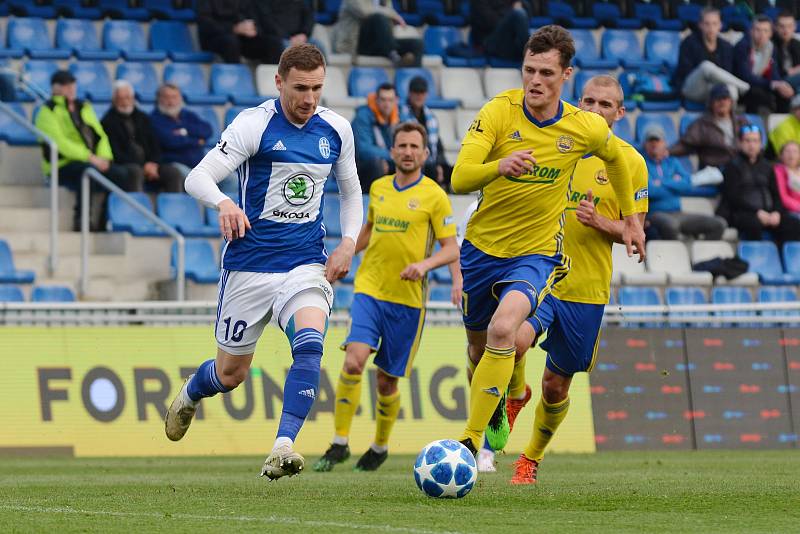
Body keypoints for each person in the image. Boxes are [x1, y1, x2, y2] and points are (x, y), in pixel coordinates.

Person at [164, 44, 364, 480]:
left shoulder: (336, 130)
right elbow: (196, 177)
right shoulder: (253, 125)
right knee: (230, 374)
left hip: (304, 265)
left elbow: (351, 193)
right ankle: (192, 392)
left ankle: (283, 445)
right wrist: (223, 204)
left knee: (310, 344)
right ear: (279, 83)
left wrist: (348, 242)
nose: (309, 98)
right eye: (299, 88)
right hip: (249, 267)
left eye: (316, 88)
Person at [450, 26, 645, 461]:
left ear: (566, 75)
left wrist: (631, 218)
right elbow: (459, 177)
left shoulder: (584, 129)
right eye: (528, 70)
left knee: (506, 331)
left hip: (536, 254)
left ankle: (469, 442)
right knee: (479, 348)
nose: (535, 81)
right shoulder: (499, 111)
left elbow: (617, 160)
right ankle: (504, 393)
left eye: (545, 73)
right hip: (482, 248)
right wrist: (499, 166)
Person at [312, 122, 459, 473]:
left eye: (414, 146)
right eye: (402, 146)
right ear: (392, 152)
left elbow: (452, 248)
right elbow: (366, 231)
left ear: (424, 154)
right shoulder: (377, 188)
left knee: (386, 380)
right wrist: (342, 254)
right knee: (353, 361)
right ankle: (340, 442)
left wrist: (426, 267)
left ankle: (379, 446)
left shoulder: (435, 196)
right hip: (370, 289)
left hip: (407, 301)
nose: (408, 152)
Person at [34, 70, 142, 230]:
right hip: (62, 165)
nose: (70, 88)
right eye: (65, 85)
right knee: (88, 171)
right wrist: (90, 158)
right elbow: (60, 143)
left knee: (124, 174)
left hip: (92, 160)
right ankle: (82, 220)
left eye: (72, 84)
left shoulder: (84, 107)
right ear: (55, 89)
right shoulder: (47, 111)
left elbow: (100, 135)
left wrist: (105, 158)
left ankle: (105, 219)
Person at [718, 124, 800, 245]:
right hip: (742, 213)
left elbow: (776, 195)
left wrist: (776, 212)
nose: (752, 145)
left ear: (761, 144)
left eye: (755, 141)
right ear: (740, 143)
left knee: (793, 225)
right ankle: (755, 261)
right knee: (753, 224)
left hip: (769, 213)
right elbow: (733, 197)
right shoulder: (732, 166)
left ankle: (785, 261)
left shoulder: (767, 167)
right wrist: (757, 212)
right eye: (747, 141)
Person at [643, 124, 727, 240]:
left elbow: (688, 185)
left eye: (657, 140)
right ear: (645, 145)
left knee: (718, 224)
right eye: (650, 141)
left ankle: (701, 256)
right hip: (655, 213)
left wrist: (661, 183)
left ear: (664, 143)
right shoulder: (641, 163)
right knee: (671, 225)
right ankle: (674, 257)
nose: (654, 144)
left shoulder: (673, 162)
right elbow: (650, 191)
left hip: (677, 212)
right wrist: (675, 183)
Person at [101, 81, 184, 194]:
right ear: (114, 100)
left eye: (128, 98)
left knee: (173, 172)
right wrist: (143, 166)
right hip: (127, 165)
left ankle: (175, 209)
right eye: (121, 99)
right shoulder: (107, 122)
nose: (125, 102)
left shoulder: (143, 118)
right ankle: (136, 208)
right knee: (135, 172)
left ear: (133, 98)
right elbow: (115, 153)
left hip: (149, 165)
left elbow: (155, 145)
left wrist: (153, 164)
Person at [672, 7, 750, 105]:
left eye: (714, 24)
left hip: (715, 88)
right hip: (691, 88)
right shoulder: (688, 43)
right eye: (707, 24)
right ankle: (744, 87)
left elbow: (727, 72)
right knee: (706, 66)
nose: (711, 28)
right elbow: (686, 72)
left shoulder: (726, 46)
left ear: (720, 25)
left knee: (732, 89)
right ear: (700, 25)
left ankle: (730, 118)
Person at [670, 84, 750, 170]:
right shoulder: (701, 124)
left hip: (741, 167)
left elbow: (753, 140)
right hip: (715, 169)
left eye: (725, 98)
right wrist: (667, 152)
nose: (722, 102)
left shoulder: (741, 121)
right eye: (718, 99)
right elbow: (686, 145)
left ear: (731, 102)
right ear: (711, 103)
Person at [150, 84, 213, 179]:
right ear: (159, 99)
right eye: (167, 97)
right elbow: (169, 141)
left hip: (200, 164)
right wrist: (196, 141)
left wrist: (184, 131)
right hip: (175, 165)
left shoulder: (188, 115)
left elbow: (207, 130)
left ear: (180, 99)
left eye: (174, 97)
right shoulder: (154, 119)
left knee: (232, 180)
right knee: (198, 181)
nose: (171, 102)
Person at [733, 15, 795, 114]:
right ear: (751, 31)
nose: (761, 34)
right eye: (758, 30)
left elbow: (774, 73)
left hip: (762, 84)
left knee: (785, 93)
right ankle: (754, 126)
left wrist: (781, 85)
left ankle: (780, 124)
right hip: (744, 86)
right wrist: (771, 84)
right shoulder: (742, 46)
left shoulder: (771, 47)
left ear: (770, 33)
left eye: (765, 31)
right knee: (758, 94)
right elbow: (745, 76)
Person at [331, 0, 423, 66]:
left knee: (417, 44)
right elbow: (365, 12)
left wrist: (391, 16)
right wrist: (392, 13)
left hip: (381, 44)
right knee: (379, 18)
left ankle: (412, 78)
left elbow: (389, 21)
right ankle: (394, 55)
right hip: (356, 44)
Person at [400, 76, 451, 190]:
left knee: (453, 171)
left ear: (426, 94)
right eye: (416, 92)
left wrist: (439, 164)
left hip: (430, 161)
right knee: (430, 168)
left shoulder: (431, 117)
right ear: (409, 93)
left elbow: (437, 145)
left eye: (422, 92)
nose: (419, 95)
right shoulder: (401, 114)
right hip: (413, 159)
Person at [196, 0, 283, 64]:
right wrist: (234, 29)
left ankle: (273, 82)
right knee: (231, 43)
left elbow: (254, 17)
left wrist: (252, 28)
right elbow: (206, 23)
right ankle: (235, 81)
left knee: (273, 43)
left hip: (242, 38)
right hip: (215, 38)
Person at [352, 83, 401, 191]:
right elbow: (364, 150)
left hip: (389, 160)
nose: (387, 104)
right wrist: (392, 155)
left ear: (396, 101)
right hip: (361, 167)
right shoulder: (363, 117)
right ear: (376, 100)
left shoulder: (399, 117)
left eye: (390, 100)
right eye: (383, 100)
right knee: (377, 164)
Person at [773, 11, 800, 93]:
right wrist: (791, 71)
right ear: (775, 27)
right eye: (782, 26)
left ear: (795, 27)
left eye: (789, 26)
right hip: (780, 81)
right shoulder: (771, 45)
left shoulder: (796, 43)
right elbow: (775, 73)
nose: (786, 30)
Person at [773, 141, 800, 219]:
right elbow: (783, 197)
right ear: (781, 155)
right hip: (792, 211)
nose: (791, 155)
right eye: (788, 151)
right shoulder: (778, 171)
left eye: (795, 151)